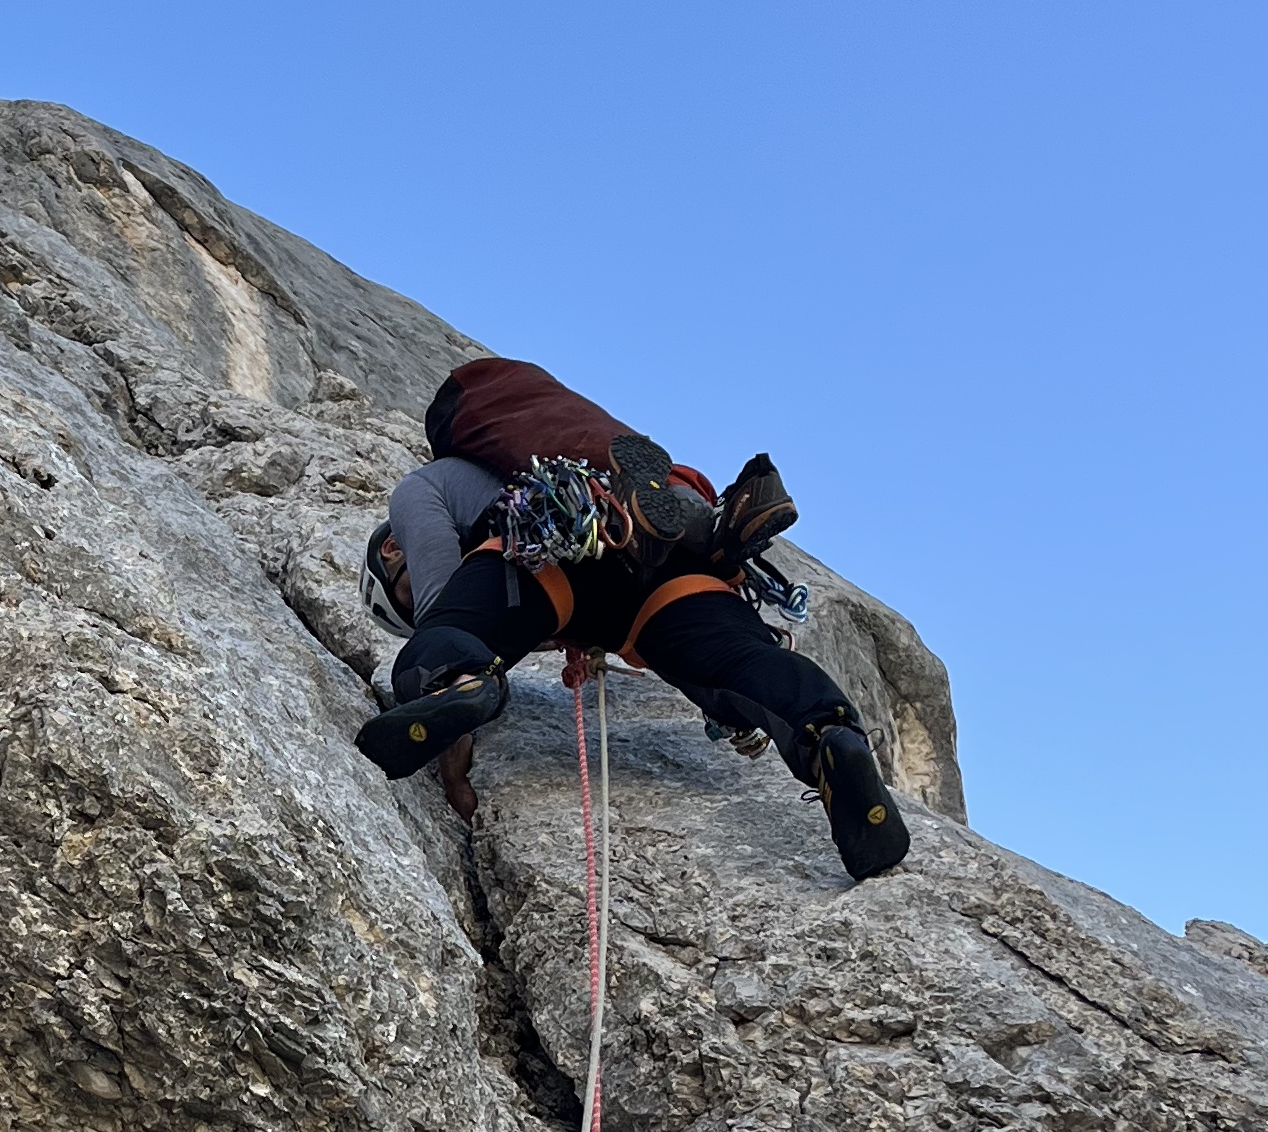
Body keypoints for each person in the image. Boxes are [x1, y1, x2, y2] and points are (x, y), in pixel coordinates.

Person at [357, 354, 908, 880]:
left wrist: (445, 663)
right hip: (659, 584)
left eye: (401, 597)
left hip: (551, 547)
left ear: (390, 551)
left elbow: (442, 596)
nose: (417, 599)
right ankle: (829, 734)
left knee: (453, 638)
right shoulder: (519, 458)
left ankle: (459, 670)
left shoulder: (433, 483)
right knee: (738, 663)